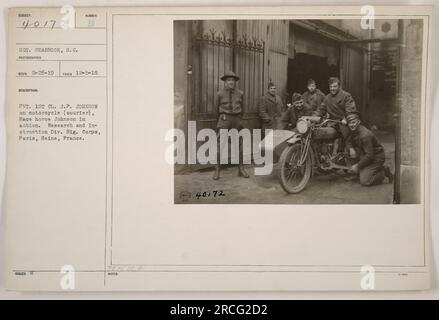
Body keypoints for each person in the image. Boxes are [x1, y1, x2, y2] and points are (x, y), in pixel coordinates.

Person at [212, 71, 249, 180]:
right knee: (221, 144)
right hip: (224, 119)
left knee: (238, 144)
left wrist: (240, 120)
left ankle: (241, 169)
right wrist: (219, 121)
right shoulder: (219, 94)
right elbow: (216, 109)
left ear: (235, 82)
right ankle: (217, 169)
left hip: (237, 119)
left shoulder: (240, 93)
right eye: (228, 80)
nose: (231, 82)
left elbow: (244, 108)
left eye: (233, 80)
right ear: (225, 82)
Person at [313, 77, 358, 157]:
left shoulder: (346, 96)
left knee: (348, 138)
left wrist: (346, 118)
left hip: (343, 123)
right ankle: (323, 155)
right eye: (330, 87)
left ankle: (350, 152)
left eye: (334, 86)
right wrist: (312, 118)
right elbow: (320, 110)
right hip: (332, 123)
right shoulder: (327, 98)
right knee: (318, 132)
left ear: (339, 86)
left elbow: (351, 110)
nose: (332, 89)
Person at [346, 113, 393, 186]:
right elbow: (348, 141)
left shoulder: (365, 135)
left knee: (365, 181)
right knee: (347, 150)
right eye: (349, 123)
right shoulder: (353, 130)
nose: (351, 125)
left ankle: (382, 171)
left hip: (376, 158)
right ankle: (359, 172)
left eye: (353, 122)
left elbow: (370, 156)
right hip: (365, 154)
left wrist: (358, 166)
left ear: (358, 122)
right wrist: (351, 149)